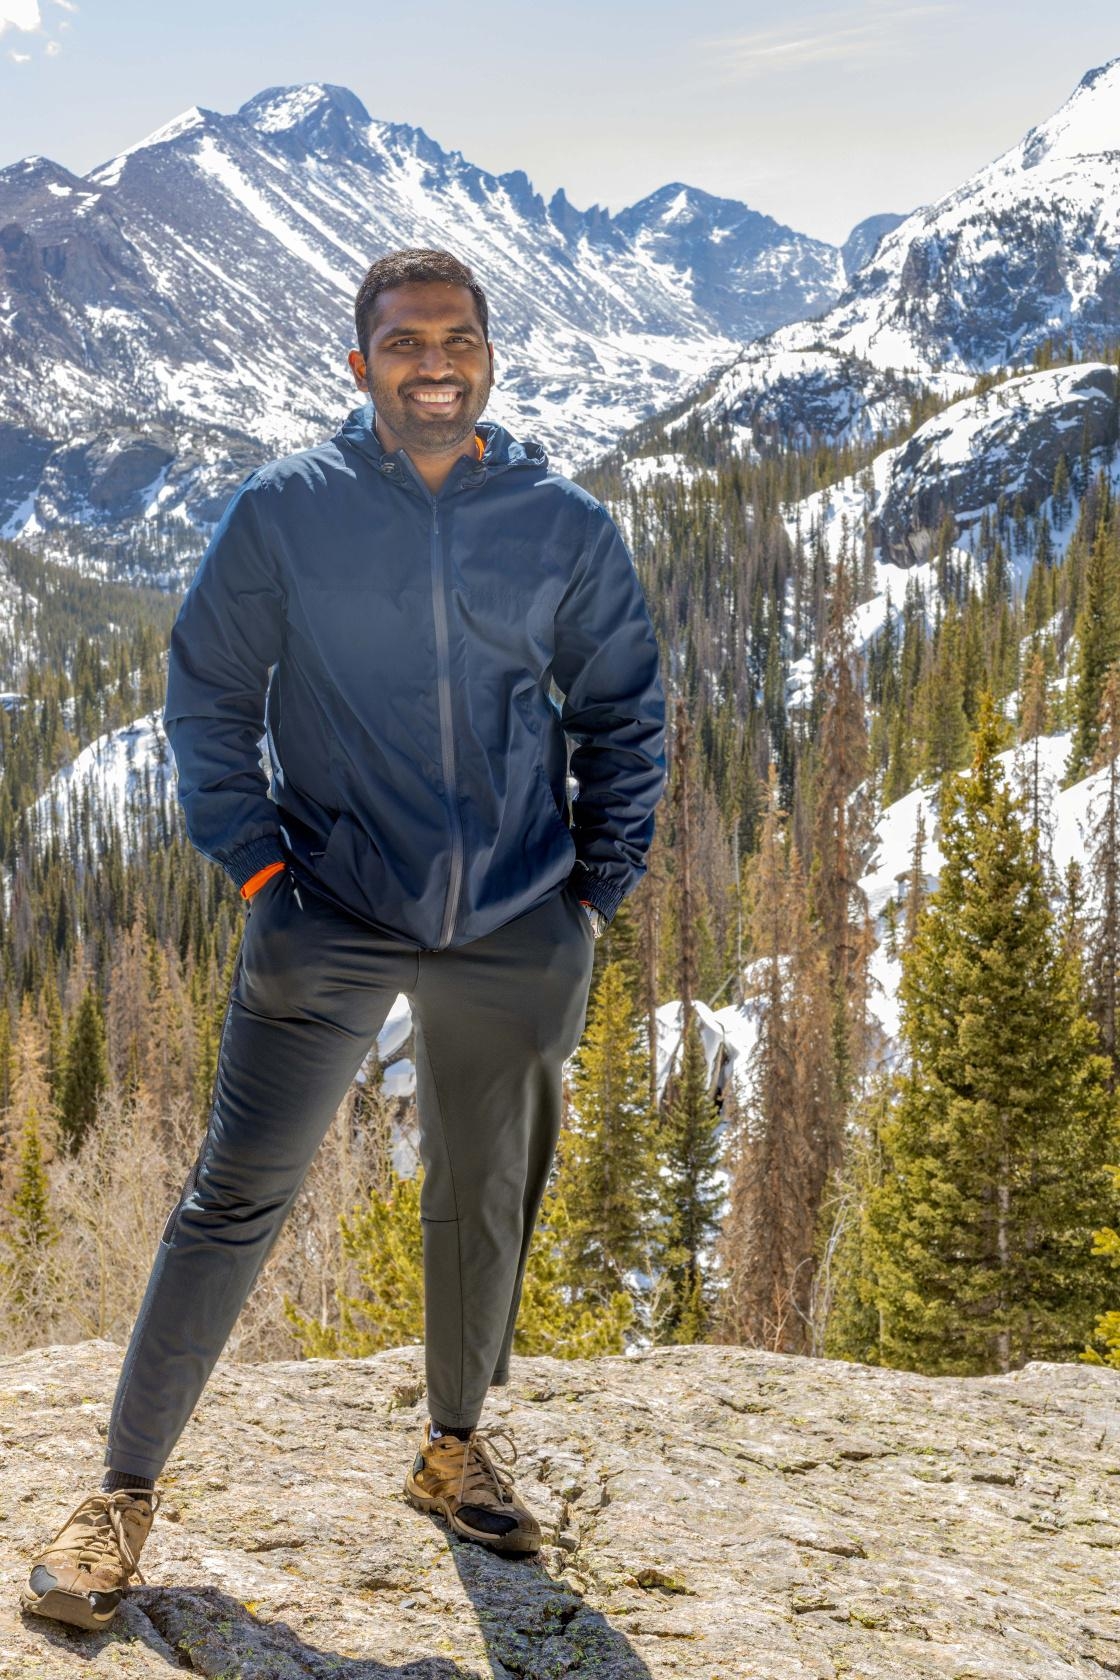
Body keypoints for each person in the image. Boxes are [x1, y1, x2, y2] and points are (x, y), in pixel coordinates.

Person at [20, 247, 666, 1631]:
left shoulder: (561, 524)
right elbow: (207, 694)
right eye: (406, 341)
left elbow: (625, 712)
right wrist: (261, 871)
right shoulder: (287, 511)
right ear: (359, 361)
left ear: (489, 354)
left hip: (517, 922)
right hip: (329, 916)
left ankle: (453, 1448)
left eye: (458, 337)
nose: (435, 362)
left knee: (483, 1193)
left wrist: (589, 897)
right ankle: (120, 1497)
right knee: (233, 1199)